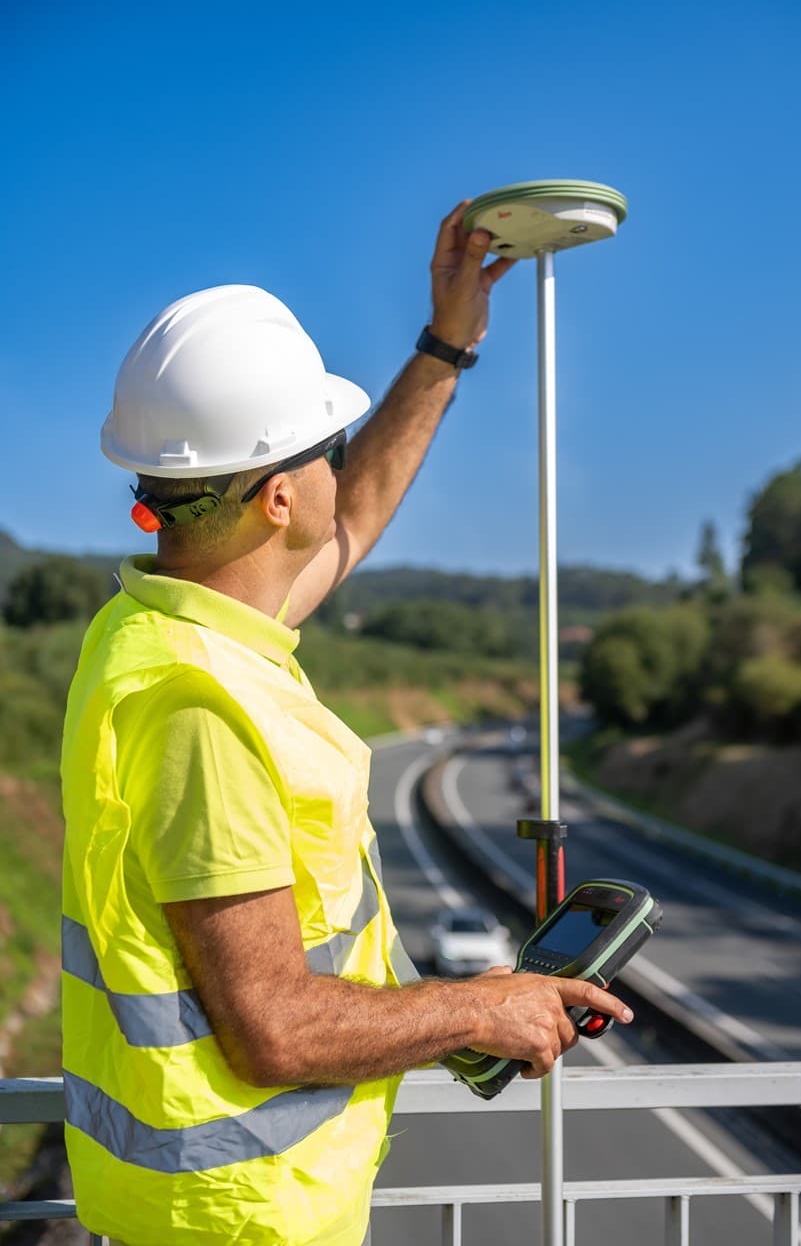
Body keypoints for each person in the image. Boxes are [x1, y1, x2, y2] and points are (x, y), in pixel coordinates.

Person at [61, 201, 633, 1246]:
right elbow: (273, 1024)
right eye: (326, 445)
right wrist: (481, 1007)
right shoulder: (201, 705)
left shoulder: (161, 626)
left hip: (224, 1210)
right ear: (279, 497)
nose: (341, 462)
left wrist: (446, 342)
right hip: (241, 1219)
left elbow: (353, 513)